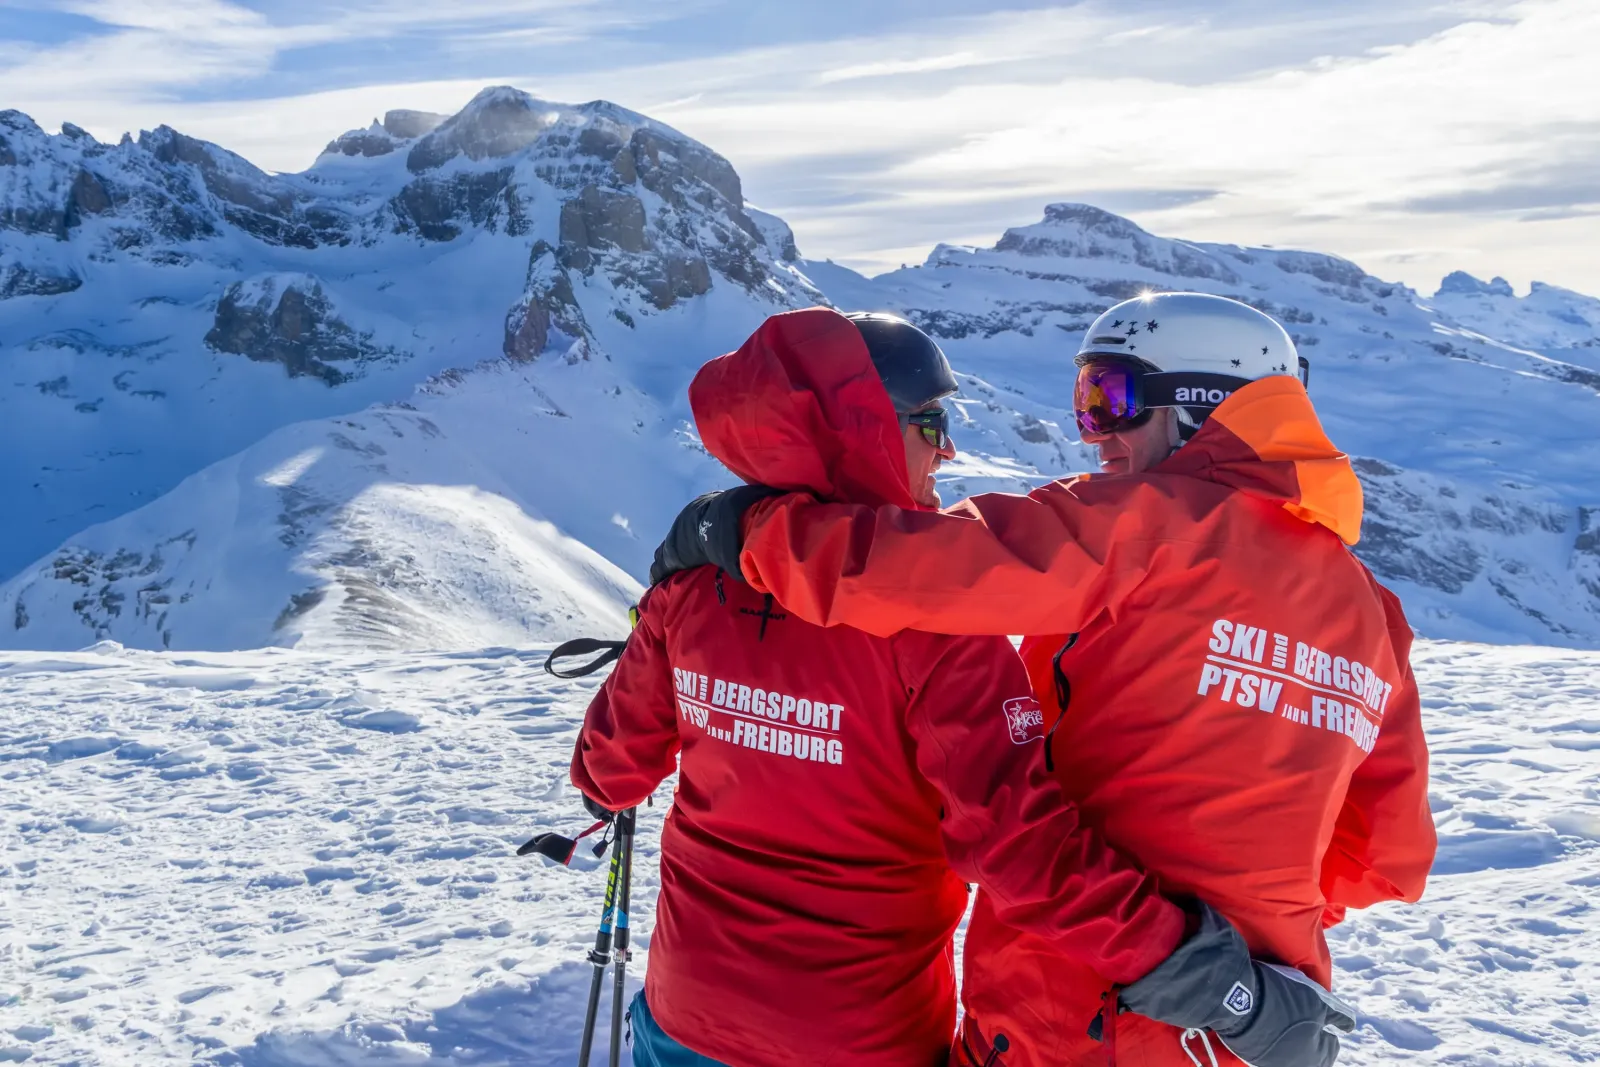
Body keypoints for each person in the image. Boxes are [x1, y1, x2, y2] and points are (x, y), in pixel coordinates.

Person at [650, 293, 1434, 1067]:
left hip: (1075, 1007)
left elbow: (908, 568)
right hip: (1258, 1021)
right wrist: (1250, 894)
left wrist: (735, 527)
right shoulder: (1375, 611)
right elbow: (1388, 859)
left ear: (1204, 405)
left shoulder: (1151, 523)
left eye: (1114, 399)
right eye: (1084, 400)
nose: (1095, 434)